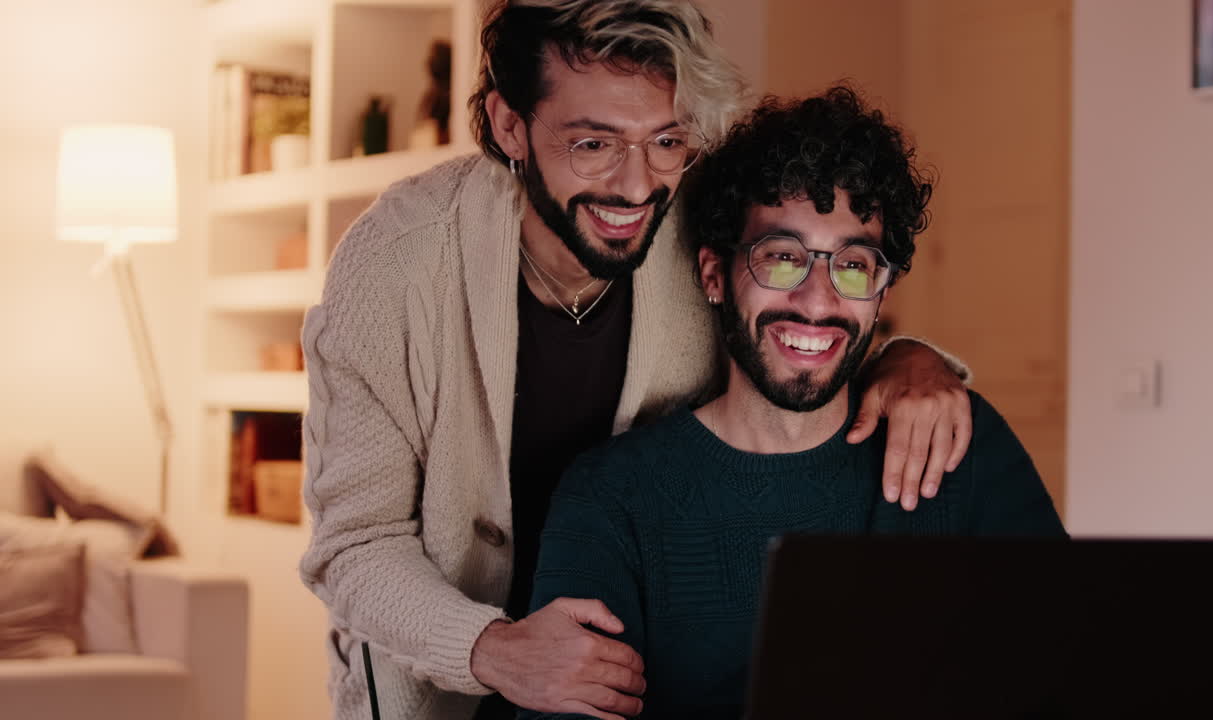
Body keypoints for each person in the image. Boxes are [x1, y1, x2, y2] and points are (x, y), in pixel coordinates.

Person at [298, 2, 973, 719]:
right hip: (437, 686)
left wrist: (909, 357)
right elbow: (355, 545)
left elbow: (801, 325)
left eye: (667, 141)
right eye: (593, 145)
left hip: (640, 684)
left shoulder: (698, 222)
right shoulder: (394, 266)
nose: (636, 185)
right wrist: (495, 648)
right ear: (508, 125)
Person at [519, 85, 1067, 720]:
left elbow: (1072, 673)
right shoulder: (612, 497)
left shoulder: (956, 445)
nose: (817, 301)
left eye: (854, 266)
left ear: (881, 293)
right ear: (715, 275)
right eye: (782, 259)